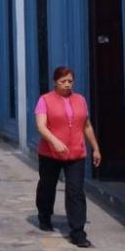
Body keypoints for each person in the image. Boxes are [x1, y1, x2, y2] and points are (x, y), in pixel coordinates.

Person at [34, 66, 101, 248]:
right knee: (47, 186)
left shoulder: (80, 100)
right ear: (55, 81)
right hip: (50, 153)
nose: (66, 85)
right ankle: (44, 216)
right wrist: (54, 141)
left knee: (75, 191)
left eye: (70, 81)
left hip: (76, 153)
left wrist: (95, 148)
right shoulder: (45, 100)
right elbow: (41, 126)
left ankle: (78, 232)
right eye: (62, 81)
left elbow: (86, 126)